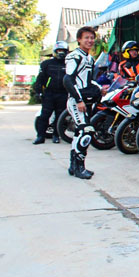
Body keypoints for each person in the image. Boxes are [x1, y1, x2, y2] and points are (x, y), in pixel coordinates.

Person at [64, 26, 104, 180]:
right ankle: (80, 167)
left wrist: (99, 88)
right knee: (86, 131)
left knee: (79, 132)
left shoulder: (89, 58)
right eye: (86, 38)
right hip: (76, 101)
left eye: (92, 38)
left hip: (86, 100)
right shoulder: (74, 56)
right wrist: (79, 99)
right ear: (79, 40)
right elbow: (68, 79)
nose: (90, 41)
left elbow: (87, 80)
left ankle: (73, 166)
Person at [33, 41, 70, 144]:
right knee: (44, 115)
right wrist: (38, 92)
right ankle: (40, 136)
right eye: (59, 51)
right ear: (55, 51)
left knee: (60, 116)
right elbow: (40, 79)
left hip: (63, 94)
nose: (61, 53)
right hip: (49, 94)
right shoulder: (47, 64)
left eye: (63, 51)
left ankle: (56, 135)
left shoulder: (69, 64)